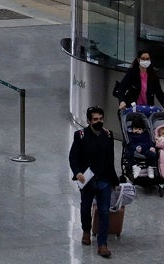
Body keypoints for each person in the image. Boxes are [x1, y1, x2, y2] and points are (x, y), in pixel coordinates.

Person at [69, 105, 118, 258]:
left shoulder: (108, 135)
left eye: (101, 118)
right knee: (85, 207)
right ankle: (86, 230)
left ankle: (102, 243)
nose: (99, 121)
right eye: (95, 119)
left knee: (104, 211)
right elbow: (73, 156)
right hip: (87, 180)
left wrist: (115, 180)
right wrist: (77, 172)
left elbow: (110, 159)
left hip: (104, 179)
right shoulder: (81, 135)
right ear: (89, 121)